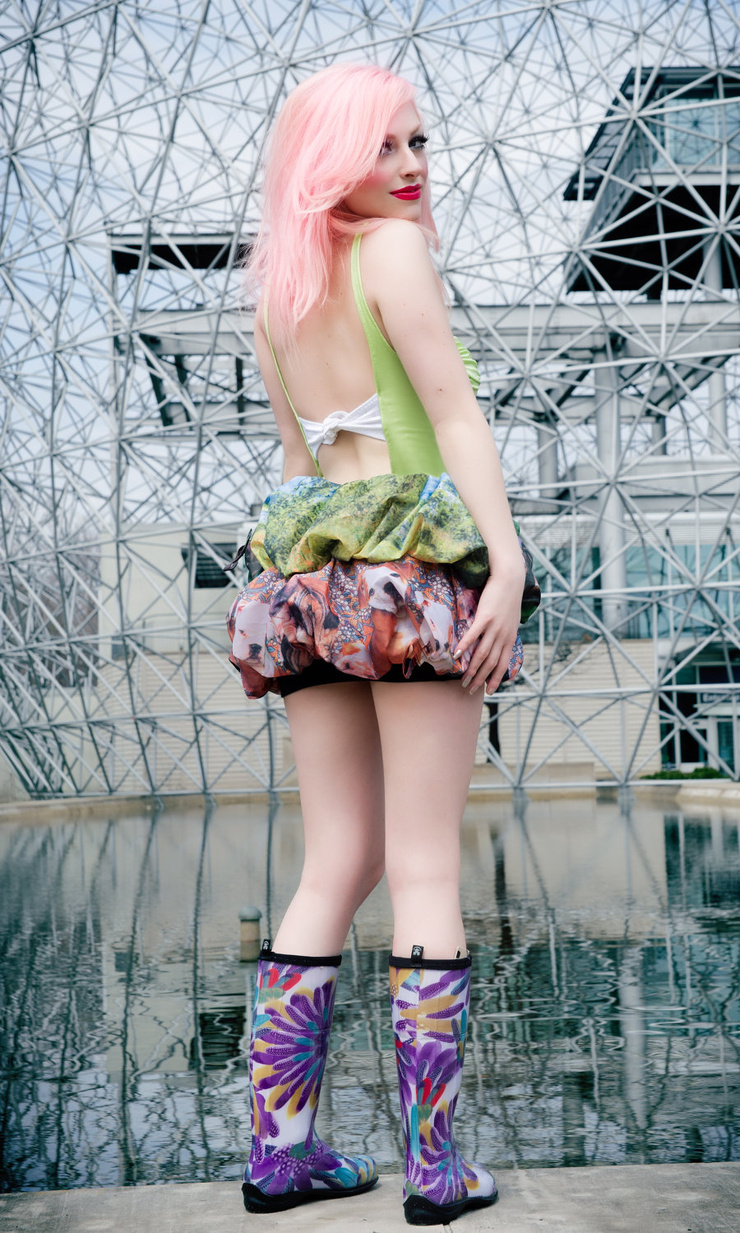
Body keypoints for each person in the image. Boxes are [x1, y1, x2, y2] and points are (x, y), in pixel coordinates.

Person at [227, 63, 539, 1226]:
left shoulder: (277, 291)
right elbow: (450, 414)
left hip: (308, 583)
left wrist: (302, 587)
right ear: (330, 157)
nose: (410, 165)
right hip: (411, 576)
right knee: (421, 868)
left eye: (417, 141)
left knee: (331, 864)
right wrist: (503, 565)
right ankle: (435, 1171)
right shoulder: (392, 253)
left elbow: (299, 468)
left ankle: (281, 1155)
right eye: (385, 144)